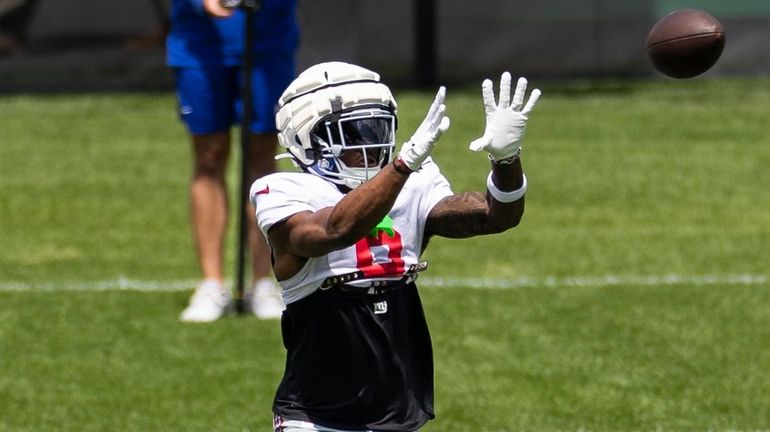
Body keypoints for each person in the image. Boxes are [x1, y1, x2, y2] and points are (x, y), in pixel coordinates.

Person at [250, 62, 541, 431]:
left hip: (398, 410)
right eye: (353, 133)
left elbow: (495, 216)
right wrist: (402, 166)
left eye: (377, 128)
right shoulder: (284, 192)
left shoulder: (410, 183)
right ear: (308, 137)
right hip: (315, 413)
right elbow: (333, 230)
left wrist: (506, 161)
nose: (370, 145)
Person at [168, 0, 299, 322]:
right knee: (208, 157)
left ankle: (264, 282)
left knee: (262, 159)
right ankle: (211, 283)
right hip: (200, 45)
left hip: (267, 40)